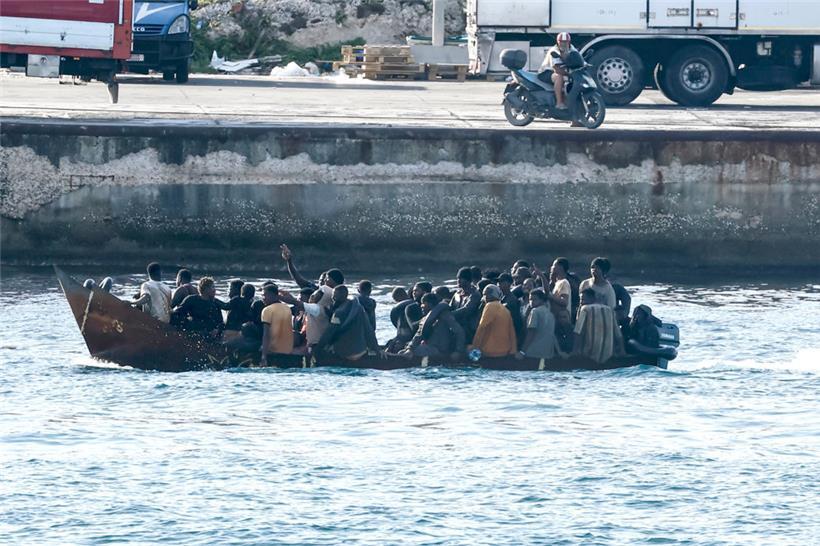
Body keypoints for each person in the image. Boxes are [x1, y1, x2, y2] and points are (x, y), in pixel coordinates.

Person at [316, 285, 380, 361]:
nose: (333, 299)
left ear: (337, 298)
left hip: (345, 354)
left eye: (334, 296)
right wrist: (377, 350)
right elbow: (369, 330)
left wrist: (317, 350)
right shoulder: (359, 309)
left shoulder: (338, 313)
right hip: (361, 351)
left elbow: (329, 333)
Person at [401, 293, 465, 360]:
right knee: (403, 351)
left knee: (415, 351)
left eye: (423, 303)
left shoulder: (445, 316)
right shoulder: (425, 319)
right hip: (430, 348)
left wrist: (458, 351)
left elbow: (459, 332)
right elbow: (418, 335)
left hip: (441, 350)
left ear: (430, 304)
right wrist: (409, 349)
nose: (421, 306)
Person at [573, 288, 623, 363]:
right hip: (608, 356)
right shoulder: (610, 310)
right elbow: (618, 335)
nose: (581, 302)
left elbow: (578, 332)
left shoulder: (585, 309)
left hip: (589, 356)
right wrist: (622, 351)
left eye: (582, 299)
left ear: (592, 298)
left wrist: (575, 351)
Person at [470, 284, 517, 358]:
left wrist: (474, 347)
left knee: (466, 349)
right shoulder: (505, 310)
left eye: (484, 294)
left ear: (488, 295)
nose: (483, 298)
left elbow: (482, 327)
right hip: (505, 351)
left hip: (490, 351)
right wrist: (513, 351)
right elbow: (512, 332)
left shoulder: (489, 306)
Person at [517, 289, 560, 360]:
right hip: (547, 354)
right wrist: (559, 351)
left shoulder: (535, 311)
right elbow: (552, 335)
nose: (531, 302)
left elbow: (531, 333)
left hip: (533, 354)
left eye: (534, 299)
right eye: (530, 299)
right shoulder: (551, 314)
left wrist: (522, 352)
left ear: (542, 300)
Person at [541, 32, 578, 110]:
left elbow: (578, 57)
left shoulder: (571, 48)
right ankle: (559, 103)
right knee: (559, 77)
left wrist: (585, 64)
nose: (564, 44)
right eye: (561, 42)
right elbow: (556, 69)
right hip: (547, 72)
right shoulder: (554, 51)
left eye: (565, 42)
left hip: (562, 70)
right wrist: (569, 74)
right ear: (558, 42)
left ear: (569, 42)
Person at [259, 283, 294, 364]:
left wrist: (263, 356)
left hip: (273, 350)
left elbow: (266, 334)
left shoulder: (267, 310)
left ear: (272, 295)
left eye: (264, 295)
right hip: (288, 350)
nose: (263, 298)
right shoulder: (287, 308)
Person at [450, 267, 482, 342]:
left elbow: (467, 310)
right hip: (456, 324)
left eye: (461, 278)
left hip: (468, 328)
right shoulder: (457, 294)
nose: (458, 281)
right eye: (457, 278)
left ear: (468, 280)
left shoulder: (475, 294)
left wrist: (449, 315)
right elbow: (450, 307)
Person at [498, 272, 525, 349]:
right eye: (499, 282)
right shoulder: (503, 297)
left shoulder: (512, 300)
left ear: (509, 283)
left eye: (502, 281)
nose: (499, 284)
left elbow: (516, 321)